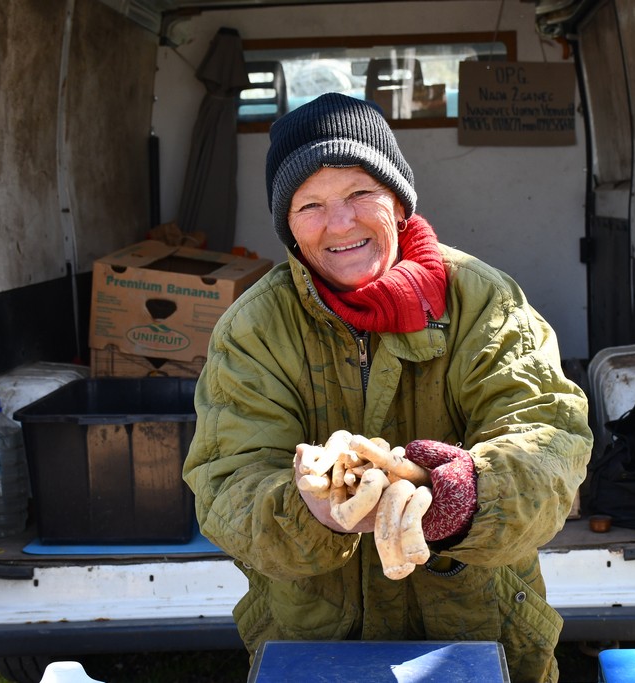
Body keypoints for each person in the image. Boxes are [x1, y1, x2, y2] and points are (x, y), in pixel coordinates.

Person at [182, 92, 593, 683]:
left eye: (359, 194)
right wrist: (313, 512)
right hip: (314, 642)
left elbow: (549, 439)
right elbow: (226, 483)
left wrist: (462, 495)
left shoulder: (482, 300)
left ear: (397, 201)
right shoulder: (253, 328)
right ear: (289, 228)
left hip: (479, 631)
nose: (340, 223)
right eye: (311, 205)